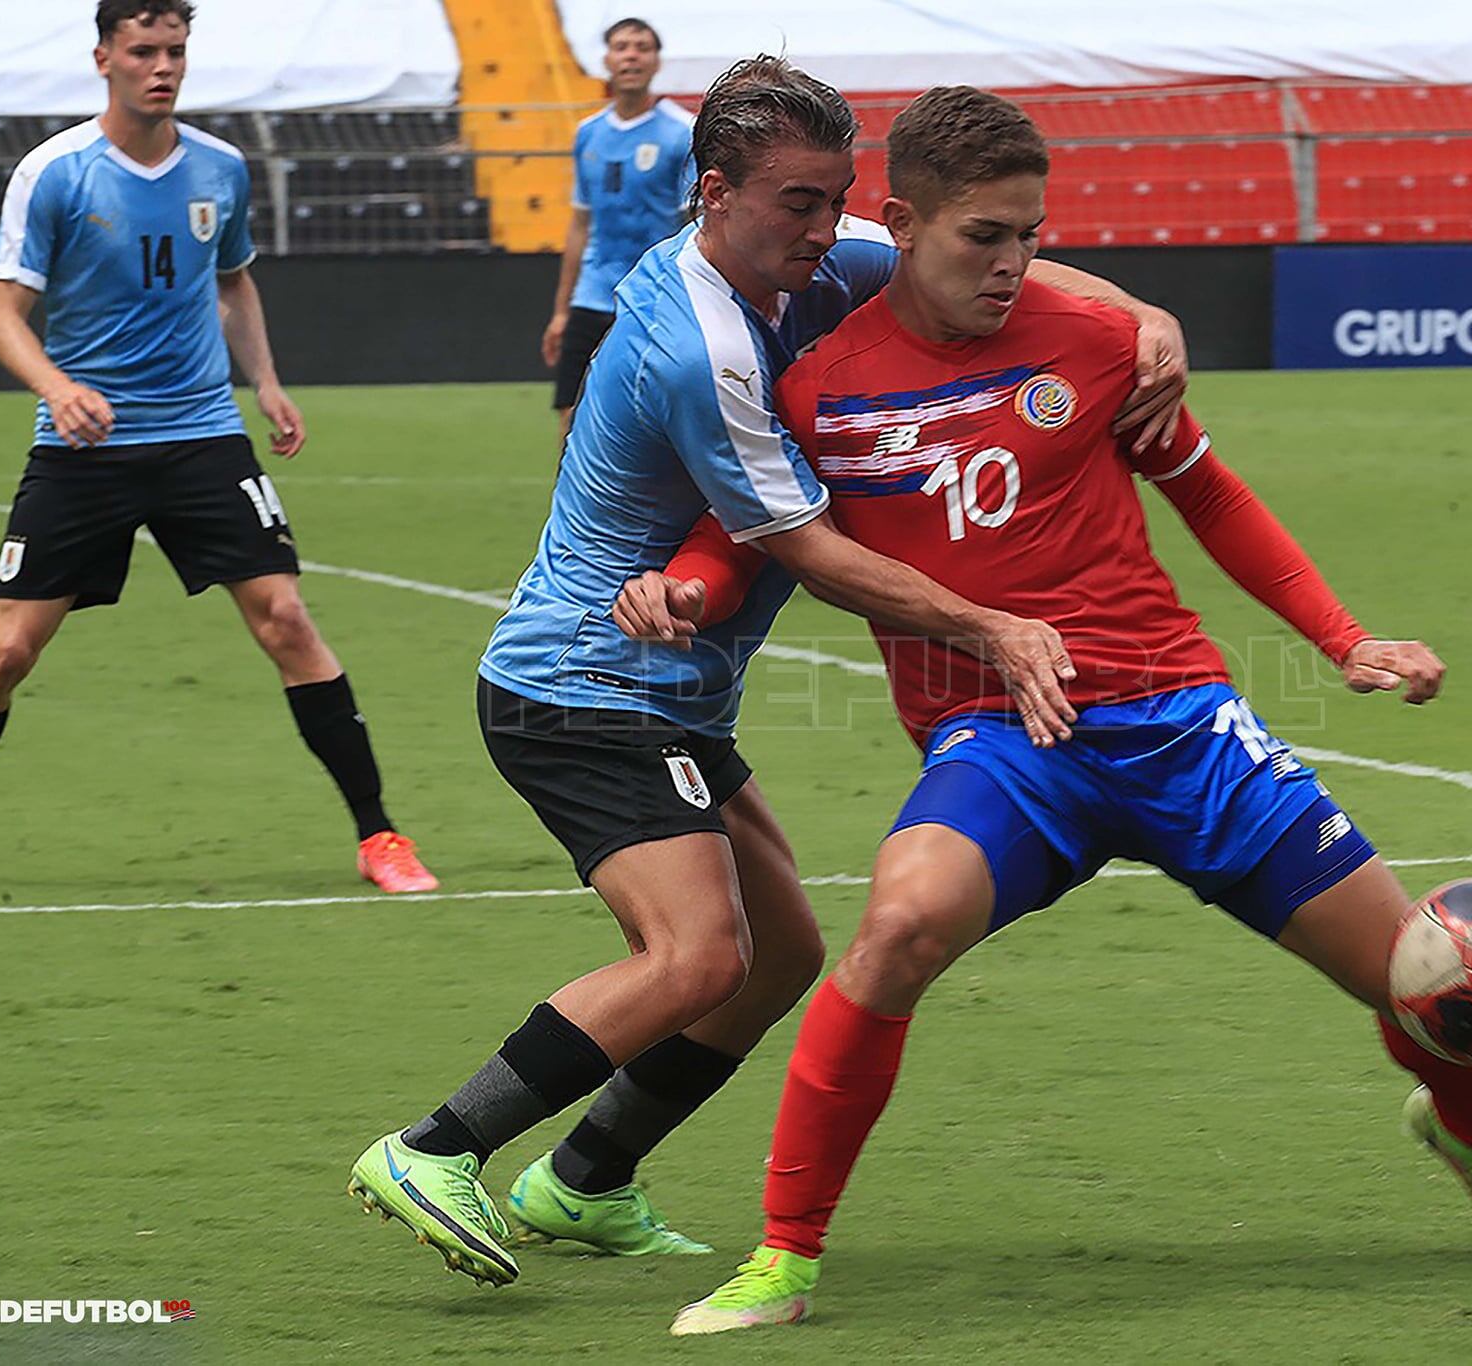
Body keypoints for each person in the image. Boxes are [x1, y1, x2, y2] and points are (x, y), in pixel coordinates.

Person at [619, 87, 1472, 1336]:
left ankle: (1468, 1134)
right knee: (897, 927)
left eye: (1028, 234)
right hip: (1000, 741)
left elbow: (1214, 498)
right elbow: (749, 537)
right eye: (983, 237)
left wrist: (1345, 639)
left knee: (1423, 983)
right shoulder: (818, 390)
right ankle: (784, 1257)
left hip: (1177, 720)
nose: (1011, 265)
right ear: (897, 222)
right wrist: (681, 584)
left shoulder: (1101, 339)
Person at [345, 57, 1193, 1287]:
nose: (821, 227)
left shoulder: (804, 258)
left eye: (832, 199)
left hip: (667, 691)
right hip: (583, 687)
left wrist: (1136, 316)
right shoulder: (702, 348)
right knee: (697, 957)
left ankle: (584, 1179)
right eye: (796, 202)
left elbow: (960, 258)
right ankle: (435, 1146)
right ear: (712, 194)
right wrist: (994, 630)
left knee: (783, 948)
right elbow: (810, 550)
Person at [0, 0, 437, 897]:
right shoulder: (55, 174)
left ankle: (379, 835)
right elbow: (2, 317)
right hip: (85, 446)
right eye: (145, 50)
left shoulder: (221, 168)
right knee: (9, 652)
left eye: (176, 50)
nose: (163, 66)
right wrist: (58, 388)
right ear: (104, 58)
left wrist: (265, 382)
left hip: (203, 436)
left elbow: (233, 280)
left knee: (287, 620)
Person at [541, 17, 696, 445]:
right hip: (593, 298)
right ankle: (570, 509)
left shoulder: (681, 132)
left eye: (641, 47)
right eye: (622, 46)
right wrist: (561, 310)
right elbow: (580, 224)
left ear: (655, 61)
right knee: (571, 416)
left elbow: (694, 225)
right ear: (607, 60)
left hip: (653, 299)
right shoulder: (588, 133)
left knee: (653, 420)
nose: (631, 55)